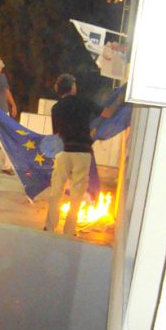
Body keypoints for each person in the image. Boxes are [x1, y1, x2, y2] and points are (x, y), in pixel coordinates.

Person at [44, 73, 122, 236]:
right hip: (82, 151)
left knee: (56, 190)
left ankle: (50, 227)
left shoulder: (56, 108)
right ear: (72, 87)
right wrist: (120, 100)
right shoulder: (83, 102)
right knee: (77, 194)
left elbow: (56, 133)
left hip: (63, 151)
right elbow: (106, 113)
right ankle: (69, 230)